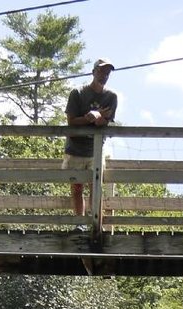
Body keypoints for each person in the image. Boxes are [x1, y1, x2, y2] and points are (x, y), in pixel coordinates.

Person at [64, 58, 117, 225]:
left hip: (96, 150)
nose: (104, 75)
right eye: (101, 71)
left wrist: (98, 117)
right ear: (94, 72)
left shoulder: (111, 97)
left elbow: (104, 122)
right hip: (75, 149)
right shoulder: (78, 93)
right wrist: (90, 117)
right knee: (77, 187)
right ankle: (79, 223)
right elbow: (71, 121)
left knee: (96, 188)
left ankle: (95, 225)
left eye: (107, 72)